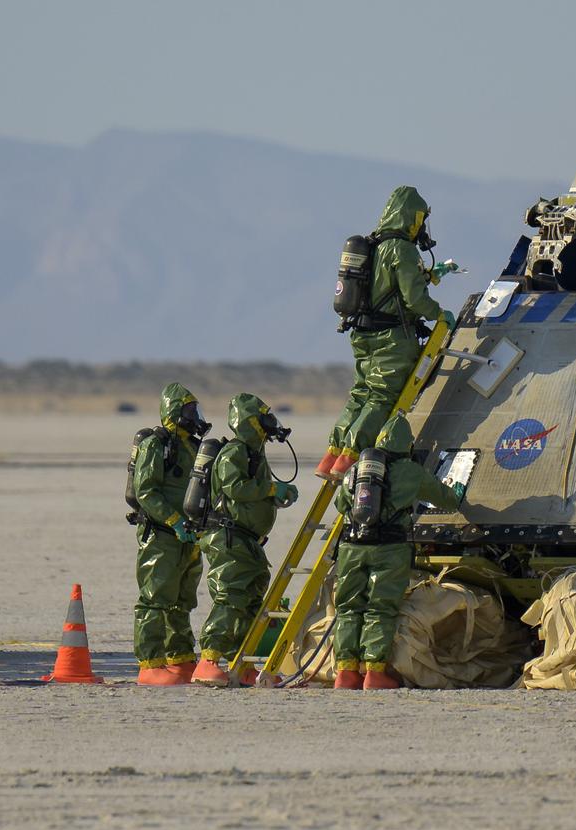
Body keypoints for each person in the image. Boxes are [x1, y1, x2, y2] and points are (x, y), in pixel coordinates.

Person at [317, 185, 460, 481]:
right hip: (392, 340)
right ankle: (349, 458)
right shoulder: (401, 249)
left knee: (360, 395)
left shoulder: (374, 246)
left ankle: (332, 454)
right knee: (381, 398)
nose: (421, 226)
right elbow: (413, 298)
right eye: (420, 219)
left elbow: (390, 287)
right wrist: (439, 315)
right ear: (410, 217)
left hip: (362, 335)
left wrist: (436, 274)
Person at [331, 413, 463, 690]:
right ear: (407, 444)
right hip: (388, 550)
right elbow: (445, 498)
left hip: (351, 547)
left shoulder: (358, 469)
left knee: (348, 608)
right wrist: (457, 488)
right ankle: (374, 673)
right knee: (380, 608)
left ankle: (345, 673)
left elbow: (341, 504)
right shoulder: (410, 471)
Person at [192, 393, 298, 687]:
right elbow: (234, 487)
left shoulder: (254, 455)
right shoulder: (234, 452)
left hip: (248, 540)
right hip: (229, 537)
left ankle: (244, 663)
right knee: (232, 594)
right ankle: (208, 660)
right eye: (262, 417)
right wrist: (270, 490)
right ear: (250, 421)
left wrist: (275, 497)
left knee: (252, 600)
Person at [130, 382, 211, 686]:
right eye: (189, 410)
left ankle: (179, 659)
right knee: (155, 597)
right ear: (174, 412)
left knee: (182, 601)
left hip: (188, 538)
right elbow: (146, 491)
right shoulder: (156, 444)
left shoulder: (190, 447)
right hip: (162, 535)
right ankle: (150, 663)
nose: (194, 416)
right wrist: (175, 520)